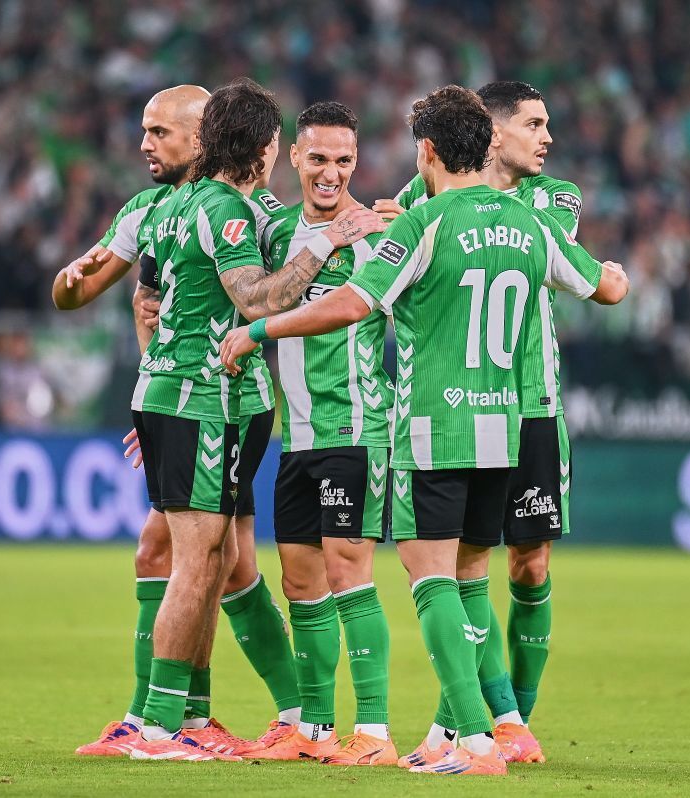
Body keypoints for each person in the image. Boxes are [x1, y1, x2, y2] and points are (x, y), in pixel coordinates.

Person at [222, 84, 615, 777]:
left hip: (434, 427)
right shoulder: (530, 225)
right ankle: (456, 731)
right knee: (469, 579)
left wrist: (258, 328)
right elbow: (605, 288)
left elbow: (350, 303)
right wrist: (612, 272)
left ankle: (475, 739)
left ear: (427, 151)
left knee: (427, 575)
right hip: (506, 426)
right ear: (486, 145)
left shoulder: (422, 223)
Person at [125, 77, 381, 762]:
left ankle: (286, 713)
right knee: (198, 558)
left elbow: (149, 296)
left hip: (209, 403)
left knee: (229, 559)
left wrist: (157, 378)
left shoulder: (180, 204)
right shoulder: (225, 211)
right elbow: (258, 301)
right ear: (272, 149)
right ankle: (159, 725)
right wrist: (324, 248)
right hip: (205, 403)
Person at [375, 80, 629, 764]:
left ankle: (490, 721)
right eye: (535, 124)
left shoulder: (555, 199)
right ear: (490, 131)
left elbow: (556, 260)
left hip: (533, 402)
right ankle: (494, 725)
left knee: (526, 562)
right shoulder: (421, 195)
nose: (547, 137)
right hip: (463, 403)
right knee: (463, 568)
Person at [53, 84, 299, 759]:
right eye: (144, 130)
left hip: (227, 403)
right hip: (182, 401)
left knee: (215, 558)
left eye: (161, 132)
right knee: (198, 556)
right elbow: (84, 291)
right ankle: (182, 718)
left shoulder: (249, 208)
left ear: (201, 138)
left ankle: (191, 717)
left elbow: (265, 295)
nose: (145, 144)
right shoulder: (148, 210)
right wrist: (77, 284)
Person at [239, 102, 395, 765]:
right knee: (300, 580)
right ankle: (315, 730)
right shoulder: (276, 233)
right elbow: (254, 294)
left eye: (344, 161)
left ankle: (377, 734)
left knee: (348, 569)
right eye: (319, 158)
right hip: (296, 435)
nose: (331, 173)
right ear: (295, 158)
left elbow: (346, 310)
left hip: (355, 427)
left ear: (355, 164)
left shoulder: (377, 235)